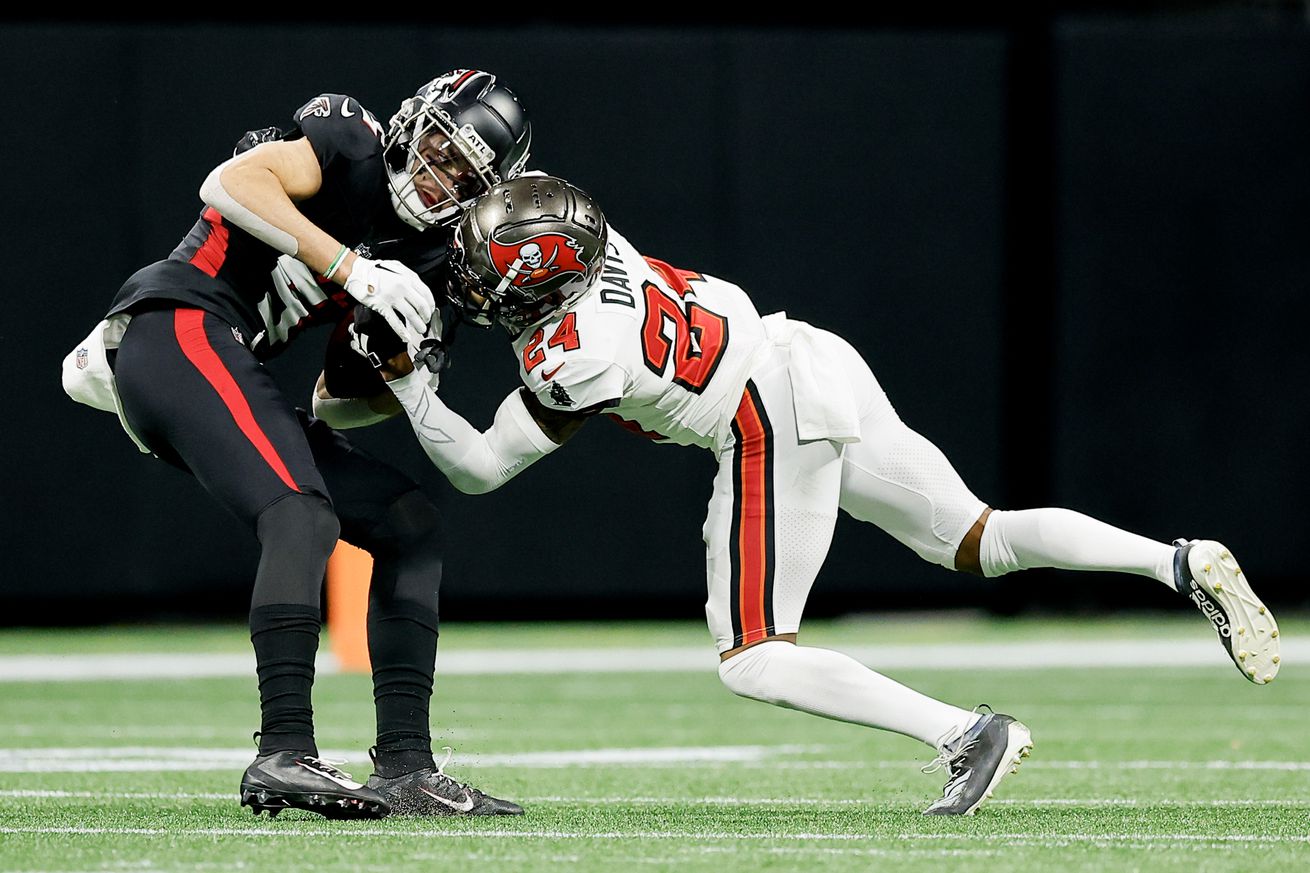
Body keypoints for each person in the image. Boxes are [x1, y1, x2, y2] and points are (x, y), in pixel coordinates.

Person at [336, 174, 1281, 816]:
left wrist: (413, 383)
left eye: (483, 267)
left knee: (752, 654)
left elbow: (481, 466)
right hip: (805, 351)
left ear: (538, 280)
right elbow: (526, 236)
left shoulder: (569, 354)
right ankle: (1175, 559)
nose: (468, 275)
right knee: (975, 537)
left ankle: (969, 734)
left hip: (760, 418)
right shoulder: (592, 236)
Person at [61, 70, 531, 819]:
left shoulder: (425, 260)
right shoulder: (349, 140)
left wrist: (404, 377)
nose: (440, 179)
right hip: (179, 326)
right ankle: (283, 750)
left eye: (462, 177)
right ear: (413, 124)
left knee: (408, 523)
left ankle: (406, 766)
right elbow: (229, 183)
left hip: (226, 363)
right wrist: (350, 269)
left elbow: (330, 407)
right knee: (301, 514)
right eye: (440, 151)